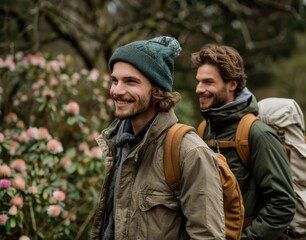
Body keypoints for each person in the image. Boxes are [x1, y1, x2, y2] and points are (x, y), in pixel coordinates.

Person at [90, 36, 225, 240]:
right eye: (114, 80)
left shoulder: (189, 152)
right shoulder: (117, 143)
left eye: (131, 82)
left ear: (157, 90)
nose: (117, 90)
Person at [191, 44, 296, 240]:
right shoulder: (204, 129)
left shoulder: (257, 134)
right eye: (198, 82)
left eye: (208, 82)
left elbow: (283, 204)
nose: (199, 89)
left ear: (232, 84)